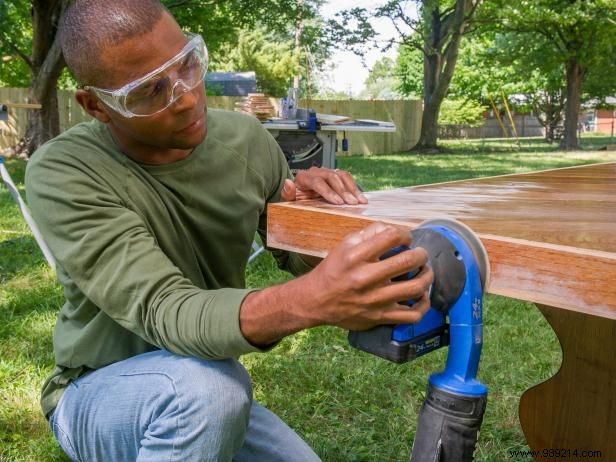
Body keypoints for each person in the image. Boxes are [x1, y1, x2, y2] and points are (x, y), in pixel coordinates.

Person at [25, 0, 433, 460]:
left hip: (206, 383)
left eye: (187, 65)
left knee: (214, 392)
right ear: (95, 106)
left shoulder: (246, 140)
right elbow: (167, 310)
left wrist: (317, 221)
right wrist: (311, 302)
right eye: (148, 91)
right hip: (99, 391)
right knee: (205, 391)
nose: (184, 97)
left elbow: (294, 258)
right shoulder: (65, 171)